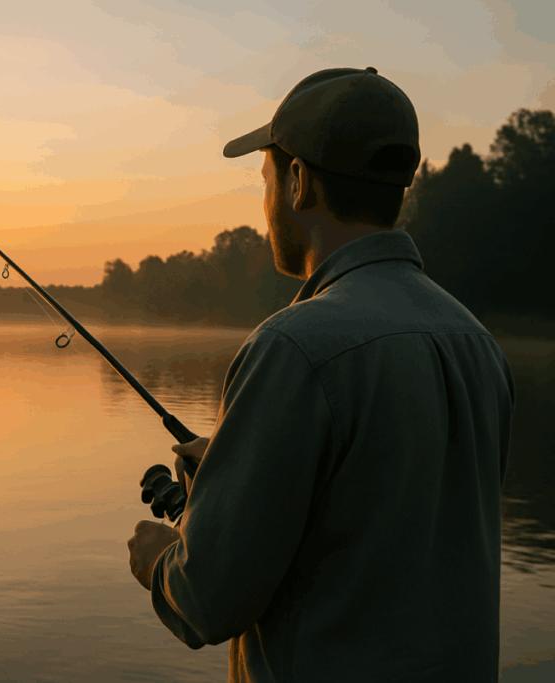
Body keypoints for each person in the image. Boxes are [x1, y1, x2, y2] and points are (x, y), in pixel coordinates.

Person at [126, 67, 515, 681]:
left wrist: (158, 558)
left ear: (299, 182)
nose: (265, 205)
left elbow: (208, 600)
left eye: (266, 180)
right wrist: (235, 470)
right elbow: (383, 514)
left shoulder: (294, 346)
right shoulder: (477, 343)